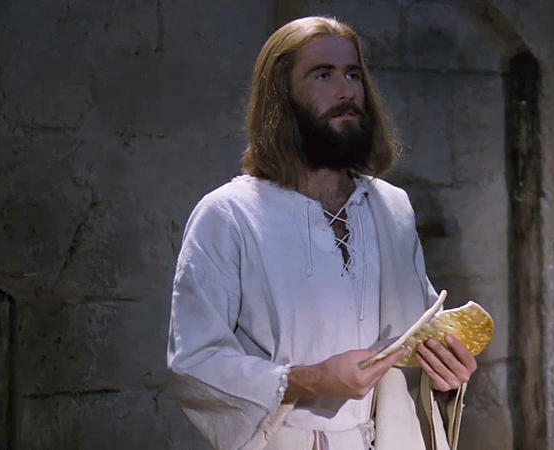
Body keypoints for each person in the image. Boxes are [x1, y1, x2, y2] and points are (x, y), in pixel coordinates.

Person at [167, 16, 477, 450]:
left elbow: (414, 339)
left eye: (353, 74)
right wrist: (311, 380)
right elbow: (195, 363)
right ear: (281, 96)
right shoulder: (229, 215)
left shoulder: (392, 208)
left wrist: (444, 371)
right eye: (323, 75)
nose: (346, 91)